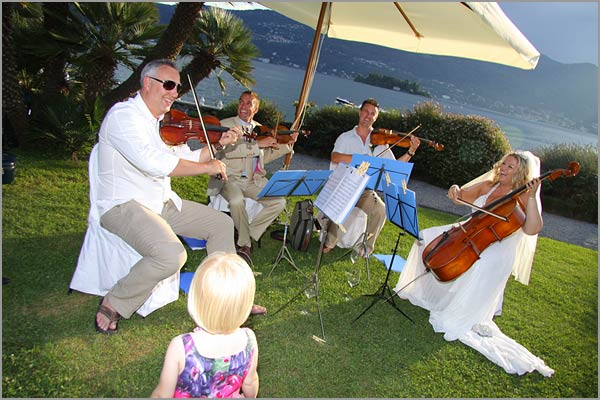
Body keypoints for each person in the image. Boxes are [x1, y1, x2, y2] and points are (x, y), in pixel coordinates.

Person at [92, 59, 243, 335]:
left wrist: (220, 144)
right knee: (172, 255)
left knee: (221, 224)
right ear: (147, 83)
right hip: (124, 204)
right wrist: (206, 168)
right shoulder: (123, 117)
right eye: (170, 85)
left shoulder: (155, 123)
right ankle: (115, 300)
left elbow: (181, 156)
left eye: (177, 87)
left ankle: (223, 298)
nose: (175, 93)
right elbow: (153, 163)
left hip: (158, 201)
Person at [394, 151, 554, 377]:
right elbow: (459, 196)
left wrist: (532, 196)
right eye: (503, 164)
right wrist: (455, 190)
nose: (503, 169)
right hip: (470, 232)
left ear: (521, 174)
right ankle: (417, 289)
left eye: (510, 167)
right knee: (425, 238)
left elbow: (532, 229)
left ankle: (455, 307)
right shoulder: (488, 185)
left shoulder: (522, 197)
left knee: (480, 263)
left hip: (498, 247)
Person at [151, 252, 259, 398]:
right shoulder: (249, 339)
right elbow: (250, 382)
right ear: (245, 306)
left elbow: (162, 395)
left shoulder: (182, 347)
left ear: (195, 299)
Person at [208, 90, 298, 265]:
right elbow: (229, 151)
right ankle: (245, 244)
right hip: (229, 177)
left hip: (252, 181)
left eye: (249, 103)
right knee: (236, 200)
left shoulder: (258, 129)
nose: (243, 106)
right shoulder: (225, 125)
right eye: (241, 102)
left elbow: (262, 157)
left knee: (279, 202)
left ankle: (248, 234)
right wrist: (258, 145)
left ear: (256, 109)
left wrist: (286, 146)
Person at [323, 98, 421, 256]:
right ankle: (330, 242)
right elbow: (335, 157)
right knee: (341, 202)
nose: (368, 116)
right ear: (360, 113)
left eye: (373, 114)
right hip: (344, 186)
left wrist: (410, 152)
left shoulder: (380, 142)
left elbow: (395, 166)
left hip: (364, 191)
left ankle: (366, 248)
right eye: (366, 112)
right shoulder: (345, 137)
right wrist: (361, 160)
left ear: (376, 118)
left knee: (381, 210)